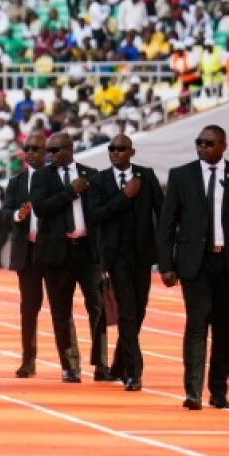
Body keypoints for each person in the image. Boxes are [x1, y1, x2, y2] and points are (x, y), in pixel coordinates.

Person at [158, 125, 229, 411]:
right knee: (196, 325)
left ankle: (218, 391)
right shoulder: (181, 176)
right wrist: (166, 265)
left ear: (223, 146)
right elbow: (167, 223)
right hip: (195, 264)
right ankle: (193, 390)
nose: (202, 147)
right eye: (199, 142)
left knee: (223, 330)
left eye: (209, 143)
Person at [86, 135, 163, 391]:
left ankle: (119, 363)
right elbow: (94, 215)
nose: (115, 153)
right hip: (115, 257)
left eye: (120, 149)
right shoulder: (99, 180)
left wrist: (167, 254)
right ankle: (134, 371)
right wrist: (124, 197)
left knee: (138, 312)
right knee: (127, 311)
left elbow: (162, 213)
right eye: (111, 149)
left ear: (132, 151)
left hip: (142, 255)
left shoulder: (147, 176)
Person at [34, 131, 110, 383]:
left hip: (88, 252)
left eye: (55, 151)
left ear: (70, 149)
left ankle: (101, 364)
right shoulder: (42, 177)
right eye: (48, 151)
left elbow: (101, 212)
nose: (50, 156)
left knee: (98, 307)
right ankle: (70, 365)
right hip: (58, 253)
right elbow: (40, 207)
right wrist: (70, 192)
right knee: (61, 311)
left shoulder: (91, 174)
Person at [3, 132, 70, 378]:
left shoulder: (57, 179)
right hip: (27, 252)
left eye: (36, 149)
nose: (30, 153)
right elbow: (6, 210)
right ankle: (28, 361)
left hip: (52, 250)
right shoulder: (17, 182)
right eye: (27, 149)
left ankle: (67, 364)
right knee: (28, 309)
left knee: (59, 308)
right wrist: (16, 216)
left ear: (46, 153)